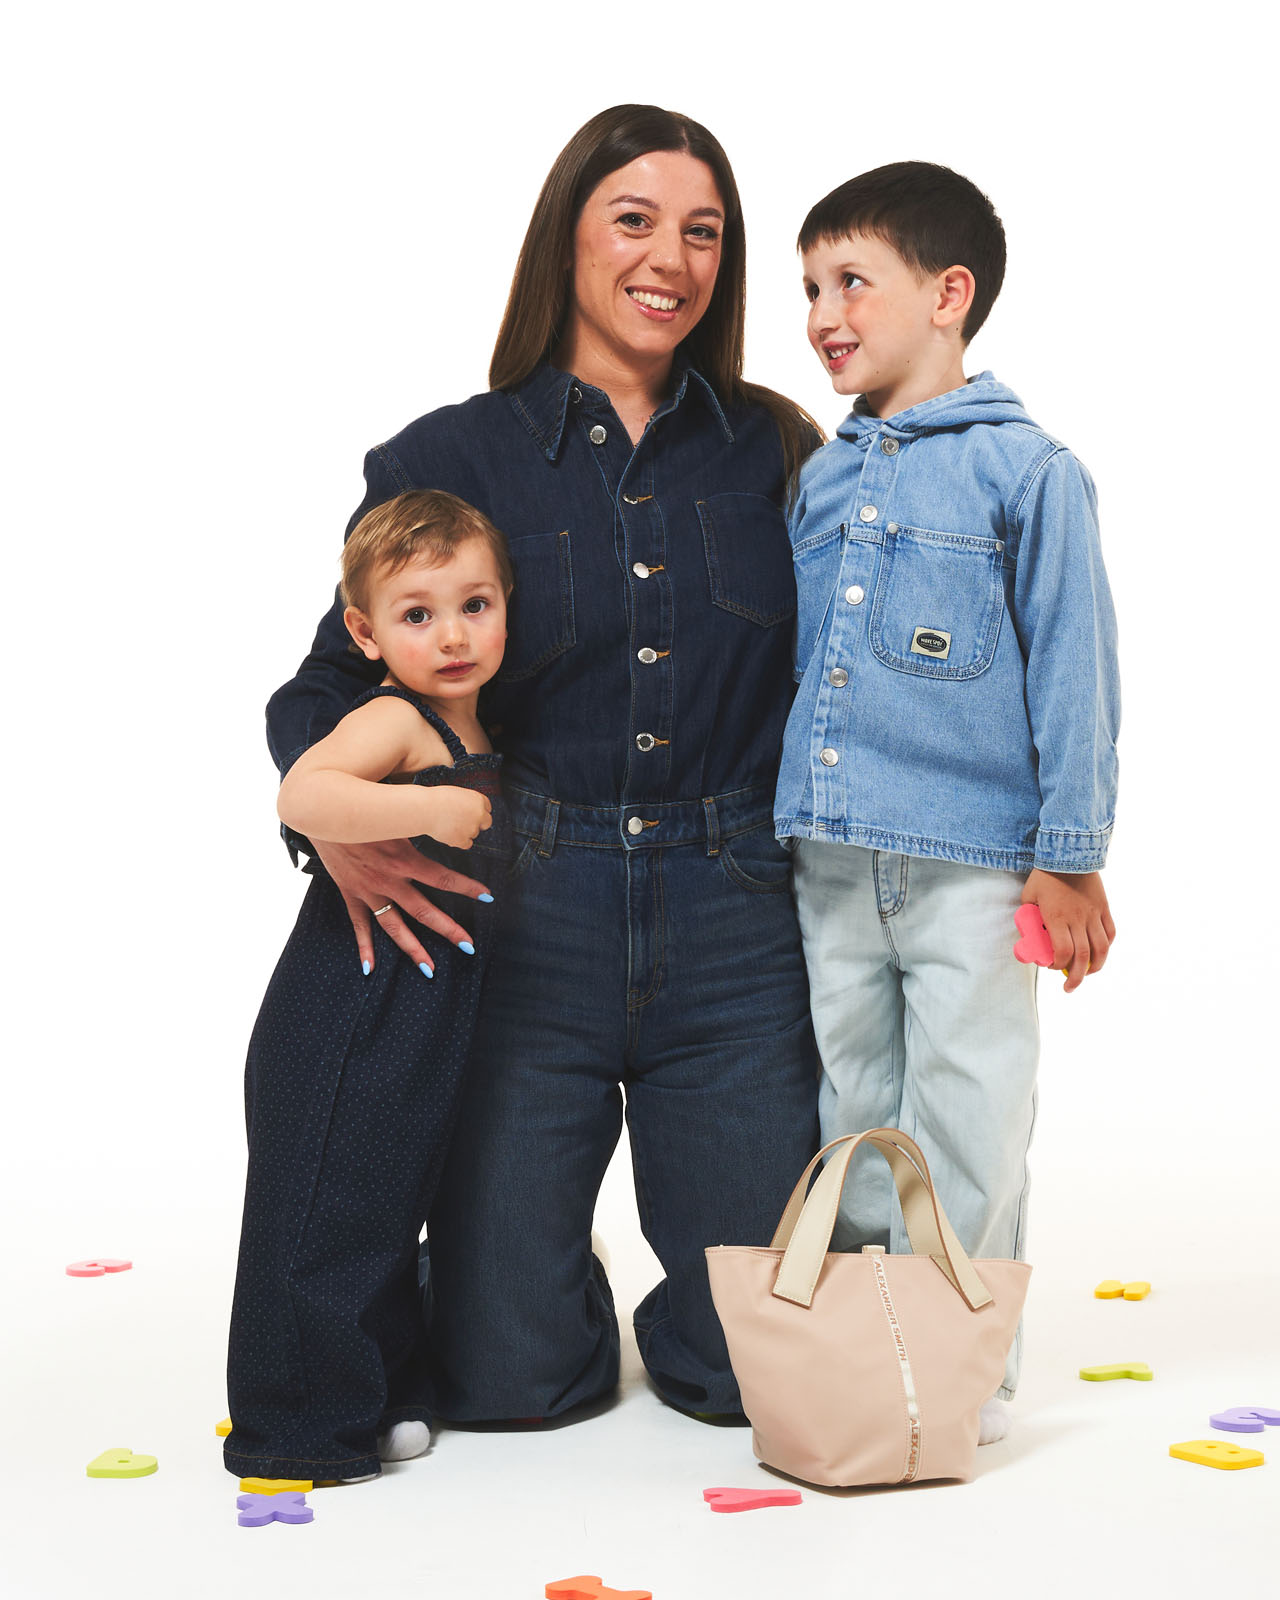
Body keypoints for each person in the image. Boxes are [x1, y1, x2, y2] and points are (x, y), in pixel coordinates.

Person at [264, 104, 822, 1424]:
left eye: (703, 232)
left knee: (750, 1377)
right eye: (634, 221)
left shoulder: (778, 448)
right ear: (566, 239)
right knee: (507, 1380)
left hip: (737, 914)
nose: (670, 259)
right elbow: (326, 687)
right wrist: (339, 825)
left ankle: (696, 1294)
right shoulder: (447, 456)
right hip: (527, 912)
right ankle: (521, 1275)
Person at [774, 162, 1120, 1442]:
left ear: (946, 293)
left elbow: (1075, 668)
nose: (822, 314)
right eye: (809, 288)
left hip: (971, 863)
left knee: (971, 1116)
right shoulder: (818, 481)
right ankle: (872, 1356)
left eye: (849, 281)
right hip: (828, 856)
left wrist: (1068, 855)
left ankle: (962, 1367)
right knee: (853, 1110)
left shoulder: (1026, 472)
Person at [225, 490, 514, 1482]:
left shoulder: (474, 723)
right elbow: (303, 791)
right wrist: (422, 806)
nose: (452, 636)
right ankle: (298, 1423)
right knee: (327, 1209)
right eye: (417, 615)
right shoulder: (394, 717)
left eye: (475, 606)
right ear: (365, 633)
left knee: (389, 1200)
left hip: (418, 1007)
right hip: (350, 1004)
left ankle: (380, 1388)